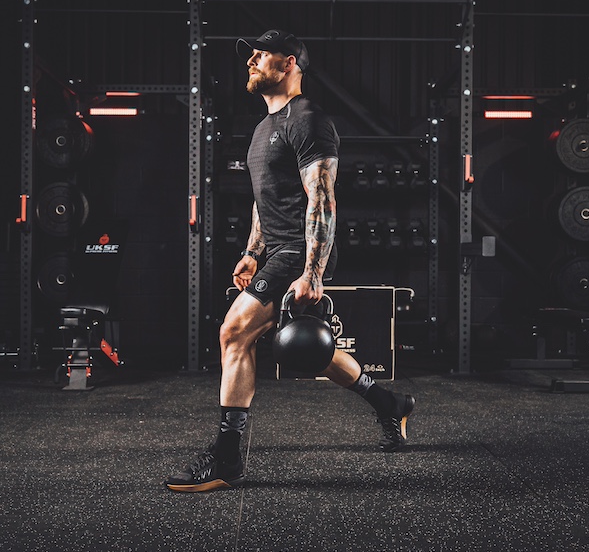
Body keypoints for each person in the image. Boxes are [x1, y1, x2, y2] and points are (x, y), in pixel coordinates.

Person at [166, 29, 416, 492]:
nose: (252, 60)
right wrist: (250, 252)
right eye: (251, 55)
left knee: (233, 332)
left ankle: (227, 458)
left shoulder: (309, 120)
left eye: (263, 54)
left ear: (290, 63)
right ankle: (389, 403)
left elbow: (321, 201)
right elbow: (266, 202)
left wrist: (313, 273)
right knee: (311, 351)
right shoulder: (263, 129)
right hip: (276, 251)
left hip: (302, 252)